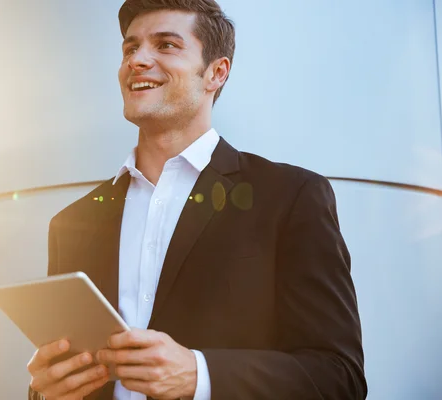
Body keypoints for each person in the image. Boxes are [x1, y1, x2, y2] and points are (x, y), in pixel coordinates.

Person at [27, 0, 367, 399]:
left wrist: (201, 376)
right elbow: (62, 370)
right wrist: (43, 390)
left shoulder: (291, 198)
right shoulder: (71, 223)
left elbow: (338, 378)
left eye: (166, 45)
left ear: (216, 73)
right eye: (130, 48)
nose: (138, 59)